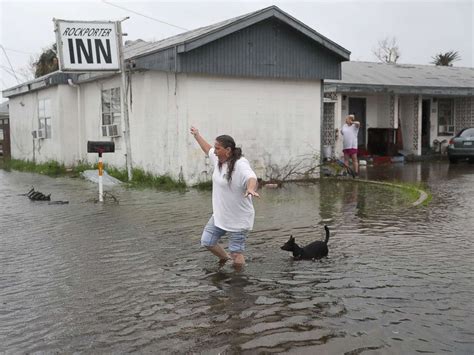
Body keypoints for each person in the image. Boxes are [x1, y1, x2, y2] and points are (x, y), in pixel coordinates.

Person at [190, 126, 259, 267]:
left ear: (228, 150)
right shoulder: (218, 160)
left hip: (238, 218)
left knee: (236, 253)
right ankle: (226, 260)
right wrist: (197, 135)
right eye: (215, 148)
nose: (214, 152)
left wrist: (251, 188)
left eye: (218, 149)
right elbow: (207, 149)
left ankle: (238, 281)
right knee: (207, 241)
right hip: (221, 215)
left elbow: (251, 177)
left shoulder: (240, 163)